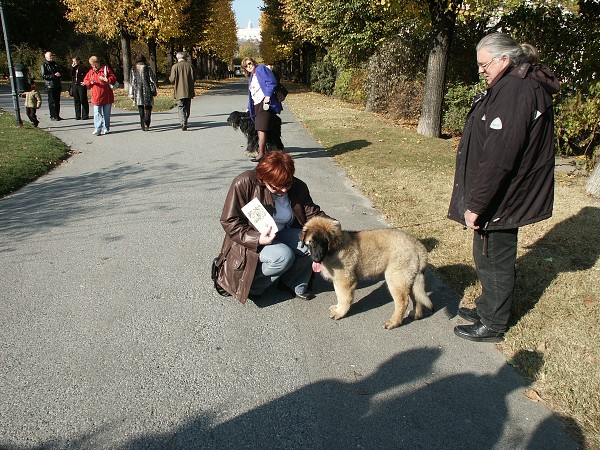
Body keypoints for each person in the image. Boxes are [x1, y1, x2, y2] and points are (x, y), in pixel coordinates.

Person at [448, 33, 560, 343]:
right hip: (505, 191)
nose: (481, 70)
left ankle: (494, 324)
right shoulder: (515, 84)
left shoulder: (514, 89)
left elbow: (500, 157)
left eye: (484, 64)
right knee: (486, 252)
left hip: (504, 194)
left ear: (504, 60)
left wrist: (477, 204)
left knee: (494, 255)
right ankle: (488, 307)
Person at [216, 151, 333, 303]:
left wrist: (331, 225)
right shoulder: (244, 183)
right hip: (251, 237)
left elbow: (312, 213)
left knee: (310, 244)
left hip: (282, 231)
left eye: (287, 184)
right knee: (283, 256)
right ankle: (252, 286)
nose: (284, 190)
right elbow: (229, 220)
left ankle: (292, 283)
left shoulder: (297, 187)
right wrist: (257, 238)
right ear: (264, 178)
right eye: (277, 186)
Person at [241, 57, 283, 162]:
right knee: (261, 128)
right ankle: (266, 152)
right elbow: (252, 94)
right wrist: (248, 107)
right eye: (246, 66)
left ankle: (261, 153)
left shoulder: (261, 69)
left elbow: (271, 82)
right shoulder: (252, 76)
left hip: (265, 103)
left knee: (261, 128)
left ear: (253, 62)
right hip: (256, 104)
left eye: (249, 63)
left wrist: (268, 95)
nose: (249, 67)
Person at [83, 56, 117, 136]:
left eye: (95, 65)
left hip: (107, 95)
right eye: (92, 65)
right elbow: (85, 80)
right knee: (97, 113)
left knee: (106, 114)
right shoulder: (91, 72)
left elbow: (113, 78)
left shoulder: (105, 69)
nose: (94, 67)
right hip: (96, 96)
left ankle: (106, 128)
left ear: (99, 63)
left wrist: (107, 79)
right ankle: (97, 128)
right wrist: (91, 82)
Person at [129, 54, 157, 131]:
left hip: (137, 90)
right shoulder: (148, 68)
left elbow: (132, 81)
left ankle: (142, 125)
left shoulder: (133, 69)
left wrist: (131, 93)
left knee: (140, 107)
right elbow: (152, 80)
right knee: (148, 107)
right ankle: (147, 122)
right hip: (147, 90)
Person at [169, 52, 196, 131]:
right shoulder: (190, 66)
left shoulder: (175, 67)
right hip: (188, 90)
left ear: (177, 58)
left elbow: (172, 79)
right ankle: (186, 119)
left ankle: (183, 122)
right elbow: (194, 78)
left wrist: (170, 78)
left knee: (181, 107)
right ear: (185, 58)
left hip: (179, 90)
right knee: (187, 107)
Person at [40, 51, 63, 121]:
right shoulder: (44, 65)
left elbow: (59, 72)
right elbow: (44, 75)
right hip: (50, 85)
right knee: (52, 101)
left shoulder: (55, 64)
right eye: (50, 56)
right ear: (46, 57)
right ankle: (53, 116)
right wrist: (53, 76)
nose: (52, 57)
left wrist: (59, 75)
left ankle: (57, 115)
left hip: (57, 84)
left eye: (52, 56)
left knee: (57, 101)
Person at [70, 56, 89, 120]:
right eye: (73, 61)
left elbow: (87, 75)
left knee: (83, 99)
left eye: (75, 61)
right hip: (75, 85)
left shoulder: (83, 67)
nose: (74, 62)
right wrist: (72, 68)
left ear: (78, 60)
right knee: (76, 100)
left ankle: (85, 115)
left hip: (81, 85)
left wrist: (84, 81)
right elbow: (71, 75)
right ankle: (77, 115)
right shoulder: (74, 68)